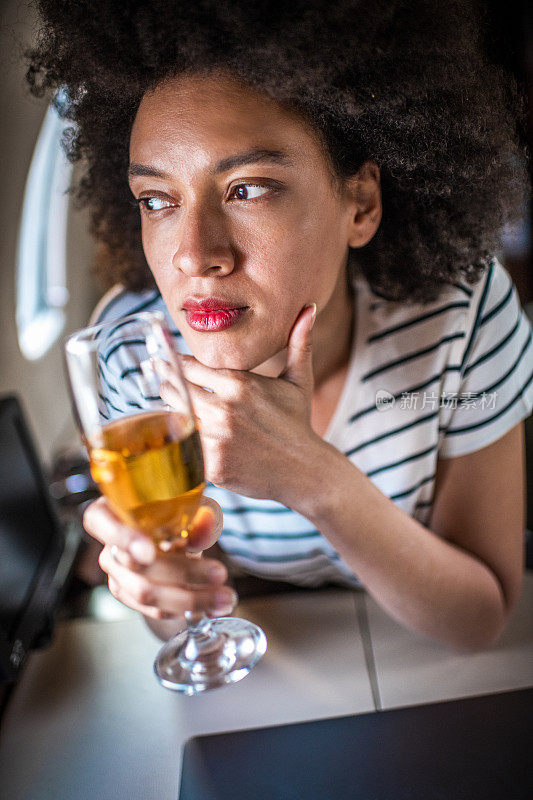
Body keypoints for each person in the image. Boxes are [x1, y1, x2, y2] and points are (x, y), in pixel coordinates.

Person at [27, 0, 533, 651]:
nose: (193, 254)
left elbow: (477, 619)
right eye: (157, 200)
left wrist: (313, 477)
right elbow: (179, 614)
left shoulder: (463, 315)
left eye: (247, 188)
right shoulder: (129, 352)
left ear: (361, 203)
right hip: (277, 640)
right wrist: (159, 593)